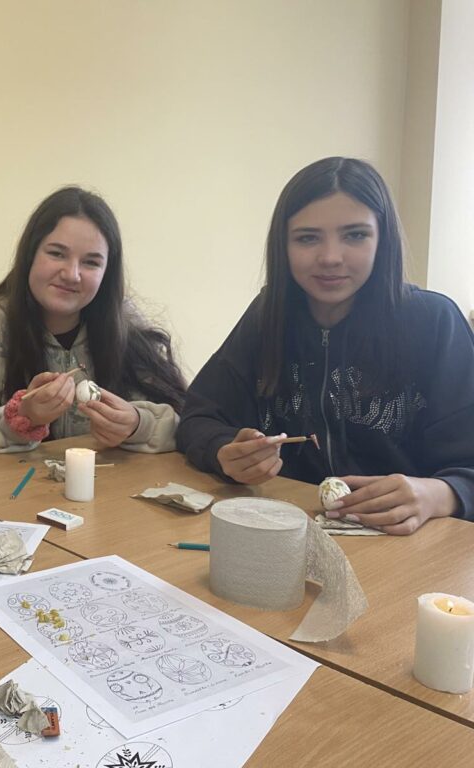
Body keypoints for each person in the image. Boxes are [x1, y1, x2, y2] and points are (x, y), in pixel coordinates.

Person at [176, 157, 474, 534]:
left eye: (355, 235)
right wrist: (224, 452)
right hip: (291, 532)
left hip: (413, 546)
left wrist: (439, 494)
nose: (331, 258)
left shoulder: (434, 321)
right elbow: (198, 417)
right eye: (307, 238)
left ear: (382, 240)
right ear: (283, 245)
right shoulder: (268, 316)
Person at [0, 186, 185, 453]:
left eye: (91, 262)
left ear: (107, 273)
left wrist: (138, 425)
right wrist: (22, 418)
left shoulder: (127, 326)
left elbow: (189, 423)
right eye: (57, 253)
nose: (72, 274)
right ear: (30, 254)